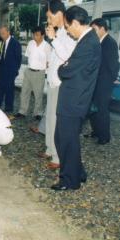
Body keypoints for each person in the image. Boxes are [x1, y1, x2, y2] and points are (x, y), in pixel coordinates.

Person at [52, 6, 101, 191]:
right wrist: (66, 65)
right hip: (74, 100)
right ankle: (77, 171)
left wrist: (61, 68)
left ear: (74, 23)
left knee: (66, 140)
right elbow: (71, 65)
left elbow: (68, 69)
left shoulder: (88, 43)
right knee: (65, 139)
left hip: (74, 101)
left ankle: (69, 181)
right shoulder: (87, 40)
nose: (67, 30)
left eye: (67, 26)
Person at [41, 0, 76, 170]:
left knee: (56, 122)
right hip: (53, 80)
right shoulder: (59, 32)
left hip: (61, 83)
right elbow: (55, 56)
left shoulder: (68, 33)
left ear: (59, 14)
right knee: (49, 118)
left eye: (49, 16)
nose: (49, 20)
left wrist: (53, 39)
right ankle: (49, 148)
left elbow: (67, 56)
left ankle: (57, 156)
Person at [86, 18, 120, 144]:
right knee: (93, 108)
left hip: (104, 83)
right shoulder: (98, 41)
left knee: (102, 110)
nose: (93, 32)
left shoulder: (110, 43)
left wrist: (109, 82)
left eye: (94, 29)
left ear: (101, 28)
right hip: (95, 82)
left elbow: (114, 65)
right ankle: (96, 131)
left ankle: (104, 137)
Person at [15, 26, 51, 120]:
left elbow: (49, 61)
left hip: (39, 73)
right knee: (24, 92)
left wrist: (45, 72)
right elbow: (27, 56)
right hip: (28, 71)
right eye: (34, 34)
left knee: (38, 94)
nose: (35, 37)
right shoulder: (30, 43)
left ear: (43, 35)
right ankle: (22, 111)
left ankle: (38, 113)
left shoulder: (47, 46)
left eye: (37, 35)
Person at [0, 25, 22, 114]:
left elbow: (18, 59)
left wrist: (15, 71)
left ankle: (8, 107)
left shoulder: (15, 43)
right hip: (1, 70)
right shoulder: (1, 42)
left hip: (10, 71)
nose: (1, 35)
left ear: (8, 32)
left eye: (3, 33)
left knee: (9, 89)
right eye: (0, 33)